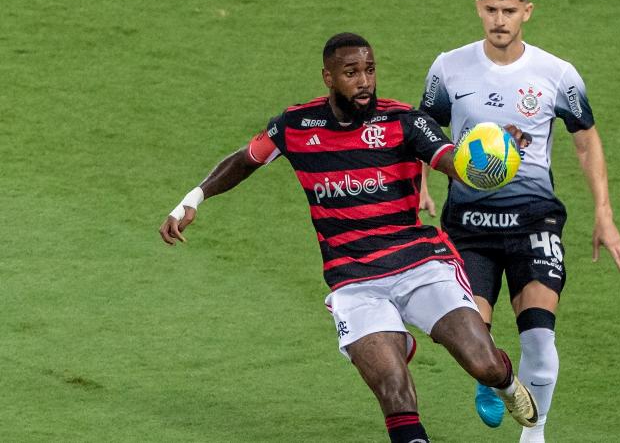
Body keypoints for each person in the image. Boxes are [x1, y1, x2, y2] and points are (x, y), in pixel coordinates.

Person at [159, 33, 539, 443]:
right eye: (351, 72)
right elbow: (244, 160)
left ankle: (502, 383)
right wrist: (192, 199)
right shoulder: (296, 126)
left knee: (483, 363)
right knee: (392, 388)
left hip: (421, 266)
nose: (364, 81)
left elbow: (452, 161)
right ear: (328, 77)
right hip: (354, 283)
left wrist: (496, 156)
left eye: (370, 70)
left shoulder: (403, 122)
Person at [418, 0, 620, 442]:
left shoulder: (556, 74)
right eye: (491, 9)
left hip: (535, 221)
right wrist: (421, 190)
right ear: (478, 7)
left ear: (526, 12)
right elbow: (422, 131)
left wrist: (604, 213)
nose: (499, 20)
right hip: (468, 225)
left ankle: (535, 436)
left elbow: (585, 141)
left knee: (539, 336)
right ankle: (490, 376)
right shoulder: (448, 68)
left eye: (509, 11)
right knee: (474, 341)